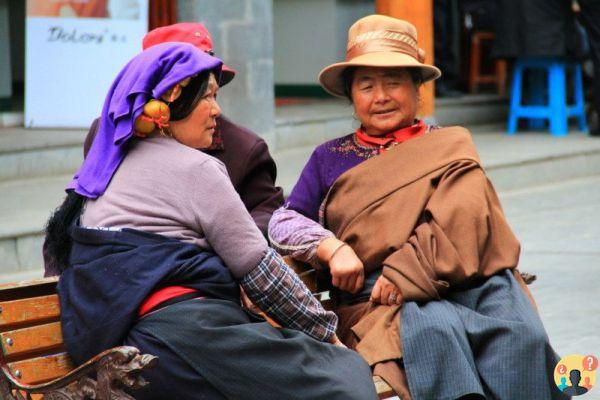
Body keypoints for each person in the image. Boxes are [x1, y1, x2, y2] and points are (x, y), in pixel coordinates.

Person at [44, 42, 378, 400]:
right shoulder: (197, 168)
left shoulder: (104, 169)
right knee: (343, 375)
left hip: (123, 353)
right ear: (171, 104)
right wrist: (328, 335)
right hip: (178, 343)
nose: (217, 111)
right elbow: (263, 274)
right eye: (208, 97)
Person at [269, 15, 566, 400]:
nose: (381, 96)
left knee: (520, 331)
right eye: (366, 85)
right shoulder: (329, 157)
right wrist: (332, 247)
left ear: (417, 88)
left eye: (394, 82)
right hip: (381, 297)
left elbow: (469, 219)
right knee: (434, 331)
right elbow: (283, 220)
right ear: (351, 94)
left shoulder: (450, 146)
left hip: (465, 277)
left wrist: (409, 269)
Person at [44, 22, 284, 277]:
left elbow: (267, 216)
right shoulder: (112, 133)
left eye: (211, 91)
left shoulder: (244, 149)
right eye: (204, 94)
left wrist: (220, 247)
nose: (215, 108)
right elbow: (78, 206)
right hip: (119, 280)